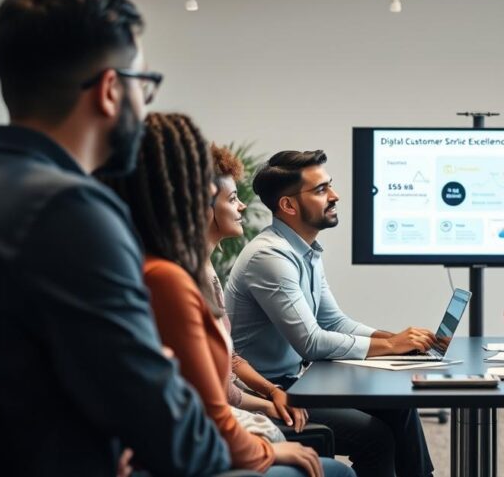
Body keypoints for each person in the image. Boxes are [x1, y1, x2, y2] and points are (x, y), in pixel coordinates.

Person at [0, 0, 229, 476]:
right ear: (111, 90)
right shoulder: (72, 211)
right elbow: (186, 445)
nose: (145, 105)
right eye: (143, 85)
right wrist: (158, 369)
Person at [104, 113, 355, 477]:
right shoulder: (169, 279)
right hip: (195, 449)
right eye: (228, 196)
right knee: (340, 470)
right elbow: (213, 407)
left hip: (200, 433)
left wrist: (268, 395)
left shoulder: (190, 270)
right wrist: (268, 446)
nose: (242, 206)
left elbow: (225, 366)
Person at [226, 150, 435, 477]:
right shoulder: (269, 257)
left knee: (398, 406)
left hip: (298, 382)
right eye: (321, 190)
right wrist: (391, 346)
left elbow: (333, 321)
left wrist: (395, 340)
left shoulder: (304, 250)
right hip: (266, 391)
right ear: (288, 205)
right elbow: (311, 342)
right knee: (375, 437)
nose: (334, 196)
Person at [206, 143, 312, 433]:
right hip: (221, 415)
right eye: (233, 199)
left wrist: (271, 391)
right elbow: (220, 390)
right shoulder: (189, 276)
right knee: (373, 438)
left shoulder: (208, 268)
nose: (242, 206)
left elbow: (229, 358)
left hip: (240, 397)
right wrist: (268, 403)